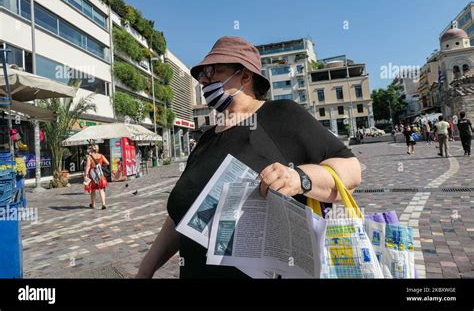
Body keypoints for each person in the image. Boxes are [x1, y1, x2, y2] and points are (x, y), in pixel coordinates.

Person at [136, 36, 362, 279]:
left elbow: (352, 171)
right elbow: (182, 216)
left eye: (213, 71)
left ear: (245, 76)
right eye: (201, 73)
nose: (203, 79)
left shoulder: (282, 114)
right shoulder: (206, 138)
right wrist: (145, 271)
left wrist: (299, 178)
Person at [84, 144, 110, 209]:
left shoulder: (89, 157)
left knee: (93, 190)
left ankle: (93, 204)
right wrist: (100, 165)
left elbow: (88, 166)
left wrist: (86, 175)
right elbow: (107, 163)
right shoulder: (101, 155)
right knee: (101, 189)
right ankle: (103, 204)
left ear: (91, 149)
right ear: (97, 149)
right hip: (100, 174)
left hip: (93, 174)